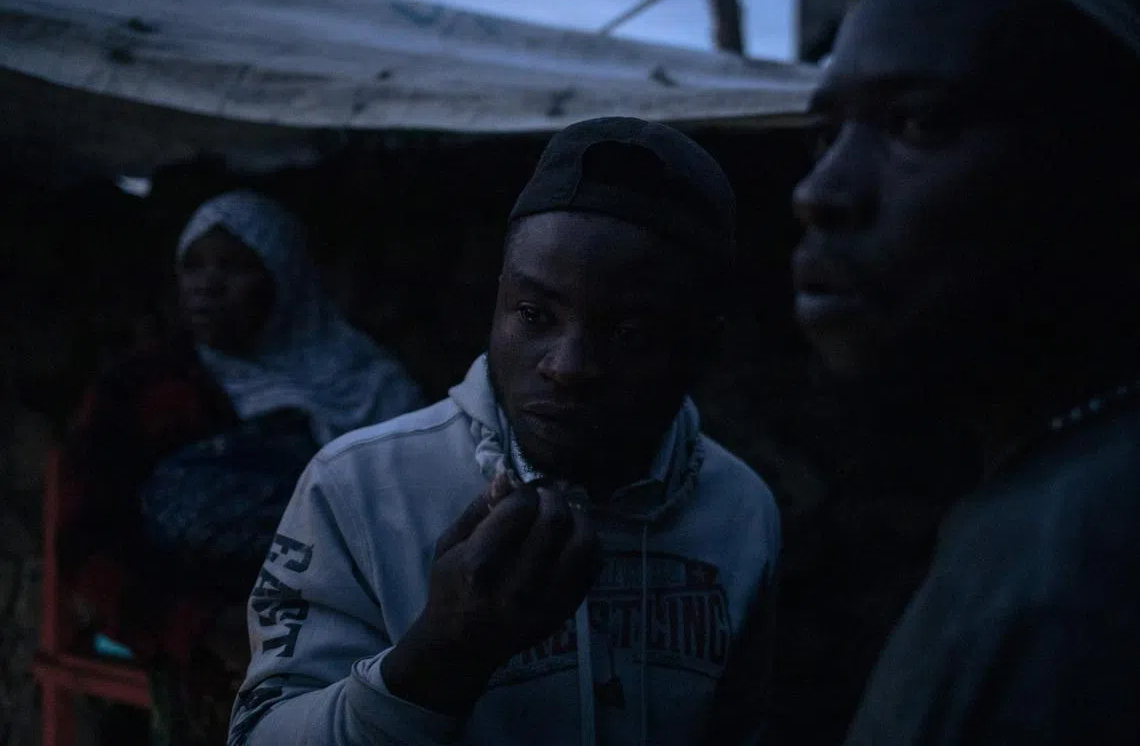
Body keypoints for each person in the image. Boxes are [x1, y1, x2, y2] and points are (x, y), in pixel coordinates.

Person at [229, 118, 781, 746]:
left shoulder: (741, 510)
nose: (567, 366)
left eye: (629, 333)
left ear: (702, 343)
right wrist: (438, 658)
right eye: (533, 313)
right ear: (497, 300)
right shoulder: (356, 488)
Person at [792, 0, 1140, 743]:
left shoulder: (1077, 580)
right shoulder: (1042, 498)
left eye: (916, 124)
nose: (819, 193)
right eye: (823, 135)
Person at [58, 190, 423, 745]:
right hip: (203, 662)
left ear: (285, 278)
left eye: (234, 266)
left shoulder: (368, 387)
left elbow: (412, 518)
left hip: (349, 653)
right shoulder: (145, 390)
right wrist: (200, 627)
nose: (208, 284)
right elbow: (86, 536)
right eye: (194, 266)